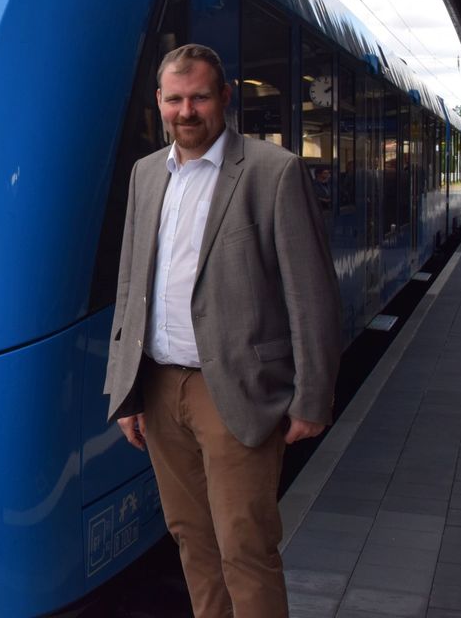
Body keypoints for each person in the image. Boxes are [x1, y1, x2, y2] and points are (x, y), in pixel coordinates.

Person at [103, 44, 341, 618]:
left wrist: (312, 398)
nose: (188, 111)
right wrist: (126, 392)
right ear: (159, 103)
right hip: (160, 387)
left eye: (200, 97)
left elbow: (311, 295)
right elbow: (132, 283)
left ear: (224, 98)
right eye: (176, 99)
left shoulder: (271, 171)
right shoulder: (144, 175)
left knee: (245, 547)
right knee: (191, 538)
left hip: (233, 387)